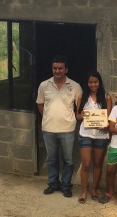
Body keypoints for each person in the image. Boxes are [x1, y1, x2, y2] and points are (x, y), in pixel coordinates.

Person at [36, 55, 82, 198]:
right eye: (55, 68)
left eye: (60, 68)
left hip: (67, 129)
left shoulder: (75, 86)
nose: (57, 71)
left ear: (66, 69)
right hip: (49, 129)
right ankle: (53, 184)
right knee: (51, 159)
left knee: (68, 160)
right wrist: (49, 116)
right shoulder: (44, 85)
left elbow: (78, 109)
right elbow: (40, 104)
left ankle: (66, 185)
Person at [75, 71, 113, 204]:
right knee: (86, 163)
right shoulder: (82, 96)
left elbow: (109, 118)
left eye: (95, 82)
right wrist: (84, 115)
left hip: (100, 136)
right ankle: (84, 191)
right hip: (85, 134)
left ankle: (94, 189)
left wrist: (106, 123)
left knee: (97, 164)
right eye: (90, 82)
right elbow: (78, 116)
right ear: (87, 83)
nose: (93, 85)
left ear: (99, 82)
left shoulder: (106, 97)